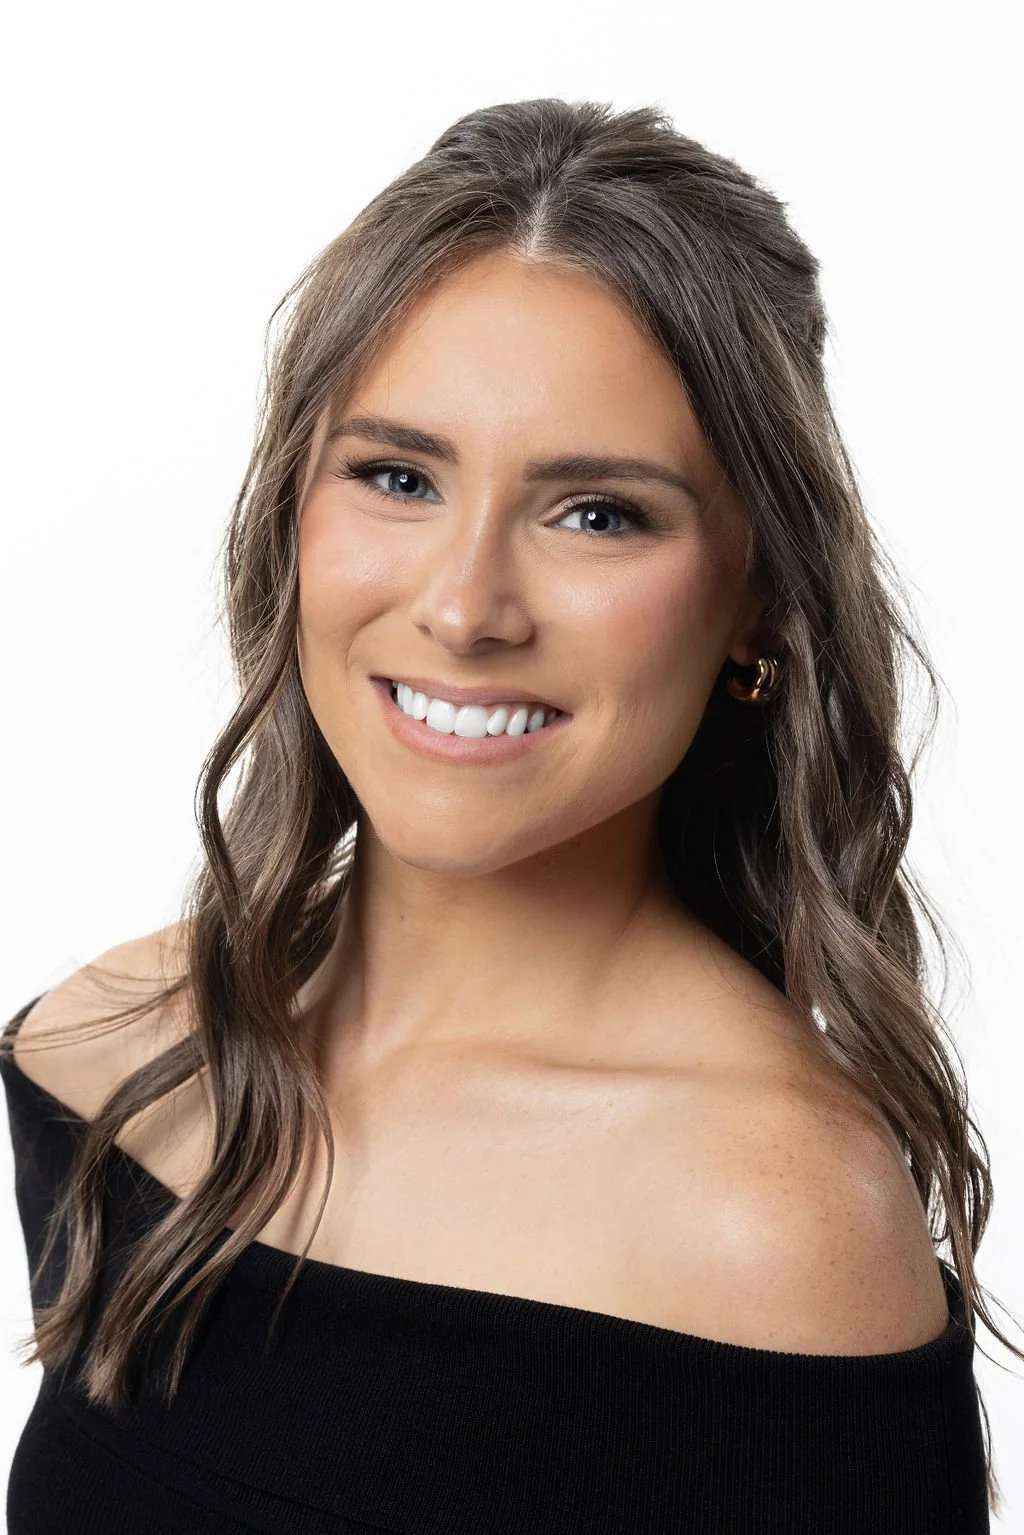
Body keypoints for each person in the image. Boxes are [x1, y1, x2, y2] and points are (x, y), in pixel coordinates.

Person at [1, 97, 1008, 1532]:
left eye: (597, 512)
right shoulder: (112, 1057)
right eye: (397, 477)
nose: (466, 606)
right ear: (295, 509)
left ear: (760, 596)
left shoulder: (767, 1225)